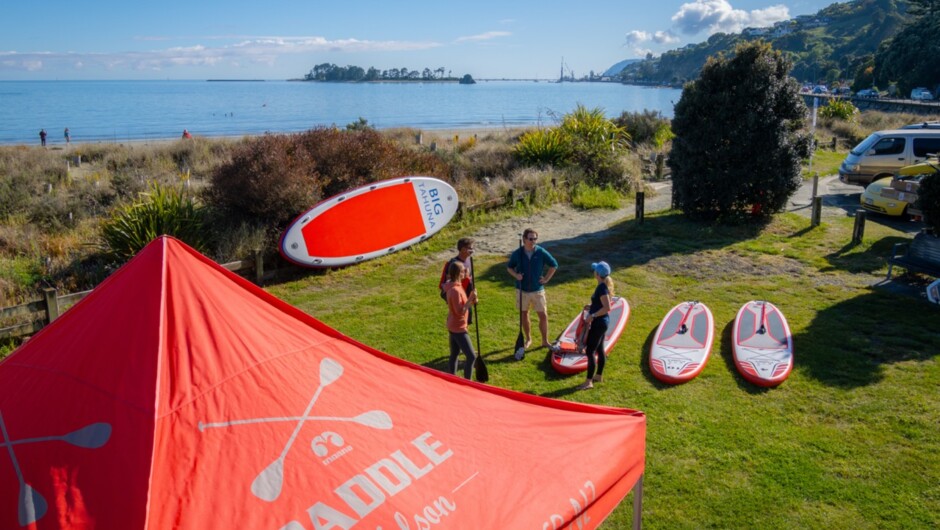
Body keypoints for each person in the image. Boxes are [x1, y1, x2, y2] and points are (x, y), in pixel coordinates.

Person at [506, 228, 558, 352]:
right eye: (530, 239)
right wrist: (516, 275)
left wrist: (546, 279)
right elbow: (509, 267)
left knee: (543, 315)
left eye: (535, 238)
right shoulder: (517, 253)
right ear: (524, 239)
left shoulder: (541, 252)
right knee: (524, 314)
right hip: (522, 290)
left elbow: (554, 264)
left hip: (537, 290)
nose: (533, 241)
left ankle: (545, 341)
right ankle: (528, 339)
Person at [576, 261, 614, 390]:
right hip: (603, 322)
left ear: (597, 274)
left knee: (590, 350)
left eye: (595, 270)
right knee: (600, 349)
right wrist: (591, 307)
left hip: (599, 323)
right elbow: (601, 304)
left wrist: (592, 315)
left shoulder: (601, 288)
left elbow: (607, 307)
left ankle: (588, 382)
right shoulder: (602, 286)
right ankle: (598, 376)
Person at [444, 261, 478, 379]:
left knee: (454, 354)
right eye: (464, 270)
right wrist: (470, 299)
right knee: (471, 356)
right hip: (458, 327)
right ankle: (467, 382)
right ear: (459, 273)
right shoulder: (455, 291)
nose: (466, 272)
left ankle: (451, 378)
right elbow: (460, 311)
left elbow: (462, 306)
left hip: (453, 325)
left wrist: (471, 300)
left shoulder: (455, 286)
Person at [439, 237, 475, 307]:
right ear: (463, 249)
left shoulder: (469, 260)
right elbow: (448, 283)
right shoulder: (453, 264)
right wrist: (464, 276)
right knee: (460, 315)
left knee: (467, 315)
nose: (472, 250)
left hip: (467, 296)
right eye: (470, 248)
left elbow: (470, 278)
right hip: (457, 296)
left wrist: (473, 295)